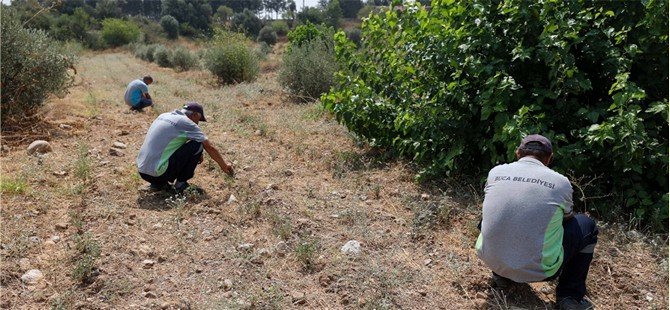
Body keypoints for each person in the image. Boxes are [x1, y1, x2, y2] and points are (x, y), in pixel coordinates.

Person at [475, 134, 598, 310]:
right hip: (541, 270)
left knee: (497, 215)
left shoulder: (496, 172)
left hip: (491, 259)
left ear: (518, 153)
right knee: (587, 225)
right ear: (549, 158)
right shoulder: (560, 182)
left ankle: (502, 275)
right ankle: (569, 296)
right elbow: (567, 218)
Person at [136, 102, 234, 194]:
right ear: (194, 115)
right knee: (198, 145)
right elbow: (209, 146)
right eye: (198, 120)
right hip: (158, 174)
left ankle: (159, 184)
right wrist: (224, 166)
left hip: (143, 171)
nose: (197, 124)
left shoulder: (164, 115)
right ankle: (181, 185)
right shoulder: (187, 123)